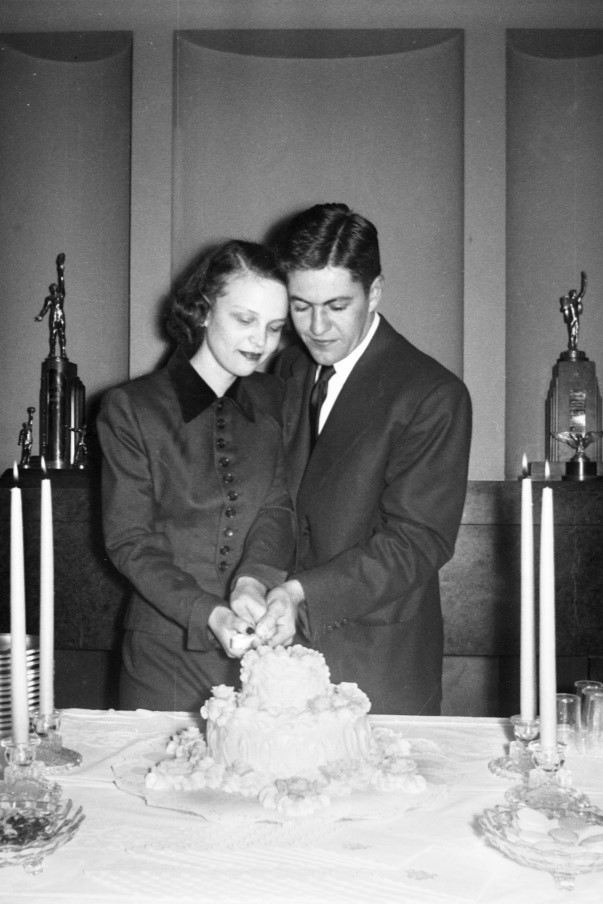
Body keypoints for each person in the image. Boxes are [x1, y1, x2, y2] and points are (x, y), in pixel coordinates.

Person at [243, 203, 472, 715]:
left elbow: (418, 540)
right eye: (300, 306)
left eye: (337, 305)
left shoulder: (431, 393)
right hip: (282, 663)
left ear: (375, 292)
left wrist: (300, 593)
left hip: (378, 665)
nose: (317, 327)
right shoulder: (289, 369)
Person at [97, 240, 295, 711]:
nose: (260, 342)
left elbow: (277, 507)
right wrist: (210, 613)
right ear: (203, 311)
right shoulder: (133, 407)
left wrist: (253, 580)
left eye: (274, 328)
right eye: (244, 319)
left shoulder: (275, 399)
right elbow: (130, 541)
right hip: (162, 655)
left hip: (258, 652)